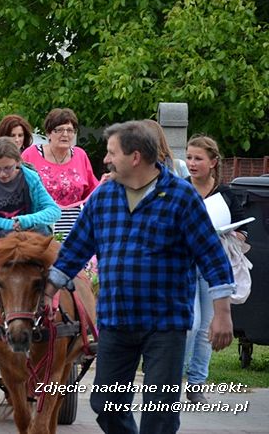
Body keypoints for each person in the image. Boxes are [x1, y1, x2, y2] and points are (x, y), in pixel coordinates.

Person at [43, 120, 234, 434]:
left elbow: (211, 255)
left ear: (134, 157)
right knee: (105, 406)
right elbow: (75, 249)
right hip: (117, 320)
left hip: (165, 324)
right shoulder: (103, 197)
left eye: (111, 153)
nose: (106, 160)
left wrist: (222, 314)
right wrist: (47, 292)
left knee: (159, 414)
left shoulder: (181, 197)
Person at [183, 134, 247, 404]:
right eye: (189, 158)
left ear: (213, 162)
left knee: (207, 327)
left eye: (198, 158)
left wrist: (235, 234)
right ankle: (171, 381)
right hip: (185, 265)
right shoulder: (180, 189)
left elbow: (243, 228)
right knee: (189, 324)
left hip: (213, 266)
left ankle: (197, 383)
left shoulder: (225, 194)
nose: (192, 163)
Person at [0, 137, 61, 277]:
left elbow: (54, 211)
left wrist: (26, 220)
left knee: (50, 245)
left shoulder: (30, 178)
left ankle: (53, 291)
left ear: (18, 162)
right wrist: (7, 224)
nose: (2, 174)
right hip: (0, 234)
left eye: (8, 168)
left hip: (30, 233)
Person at [21, 108, 98, 236]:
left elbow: (92, 192)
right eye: (59, 130)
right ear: (49, 133)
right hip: (39, 229)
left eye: (70, 130)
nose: (65, 134)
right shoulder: (31, 154)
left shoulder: (80, 155)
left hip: (75, 230)